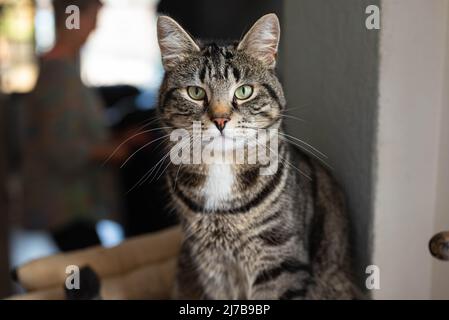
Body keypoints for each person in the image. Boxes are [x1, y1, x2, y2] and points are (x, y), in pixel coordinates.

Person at [22, 0, 129, 251]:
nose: (94, 29)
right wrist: (117, 150)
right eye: (93, 20)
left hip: (72, 207)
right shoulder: (59, 73)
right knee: (88, 276)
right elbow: (64, 149)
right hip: (64, 208)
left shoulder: (65, 67)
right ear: (75, 18)